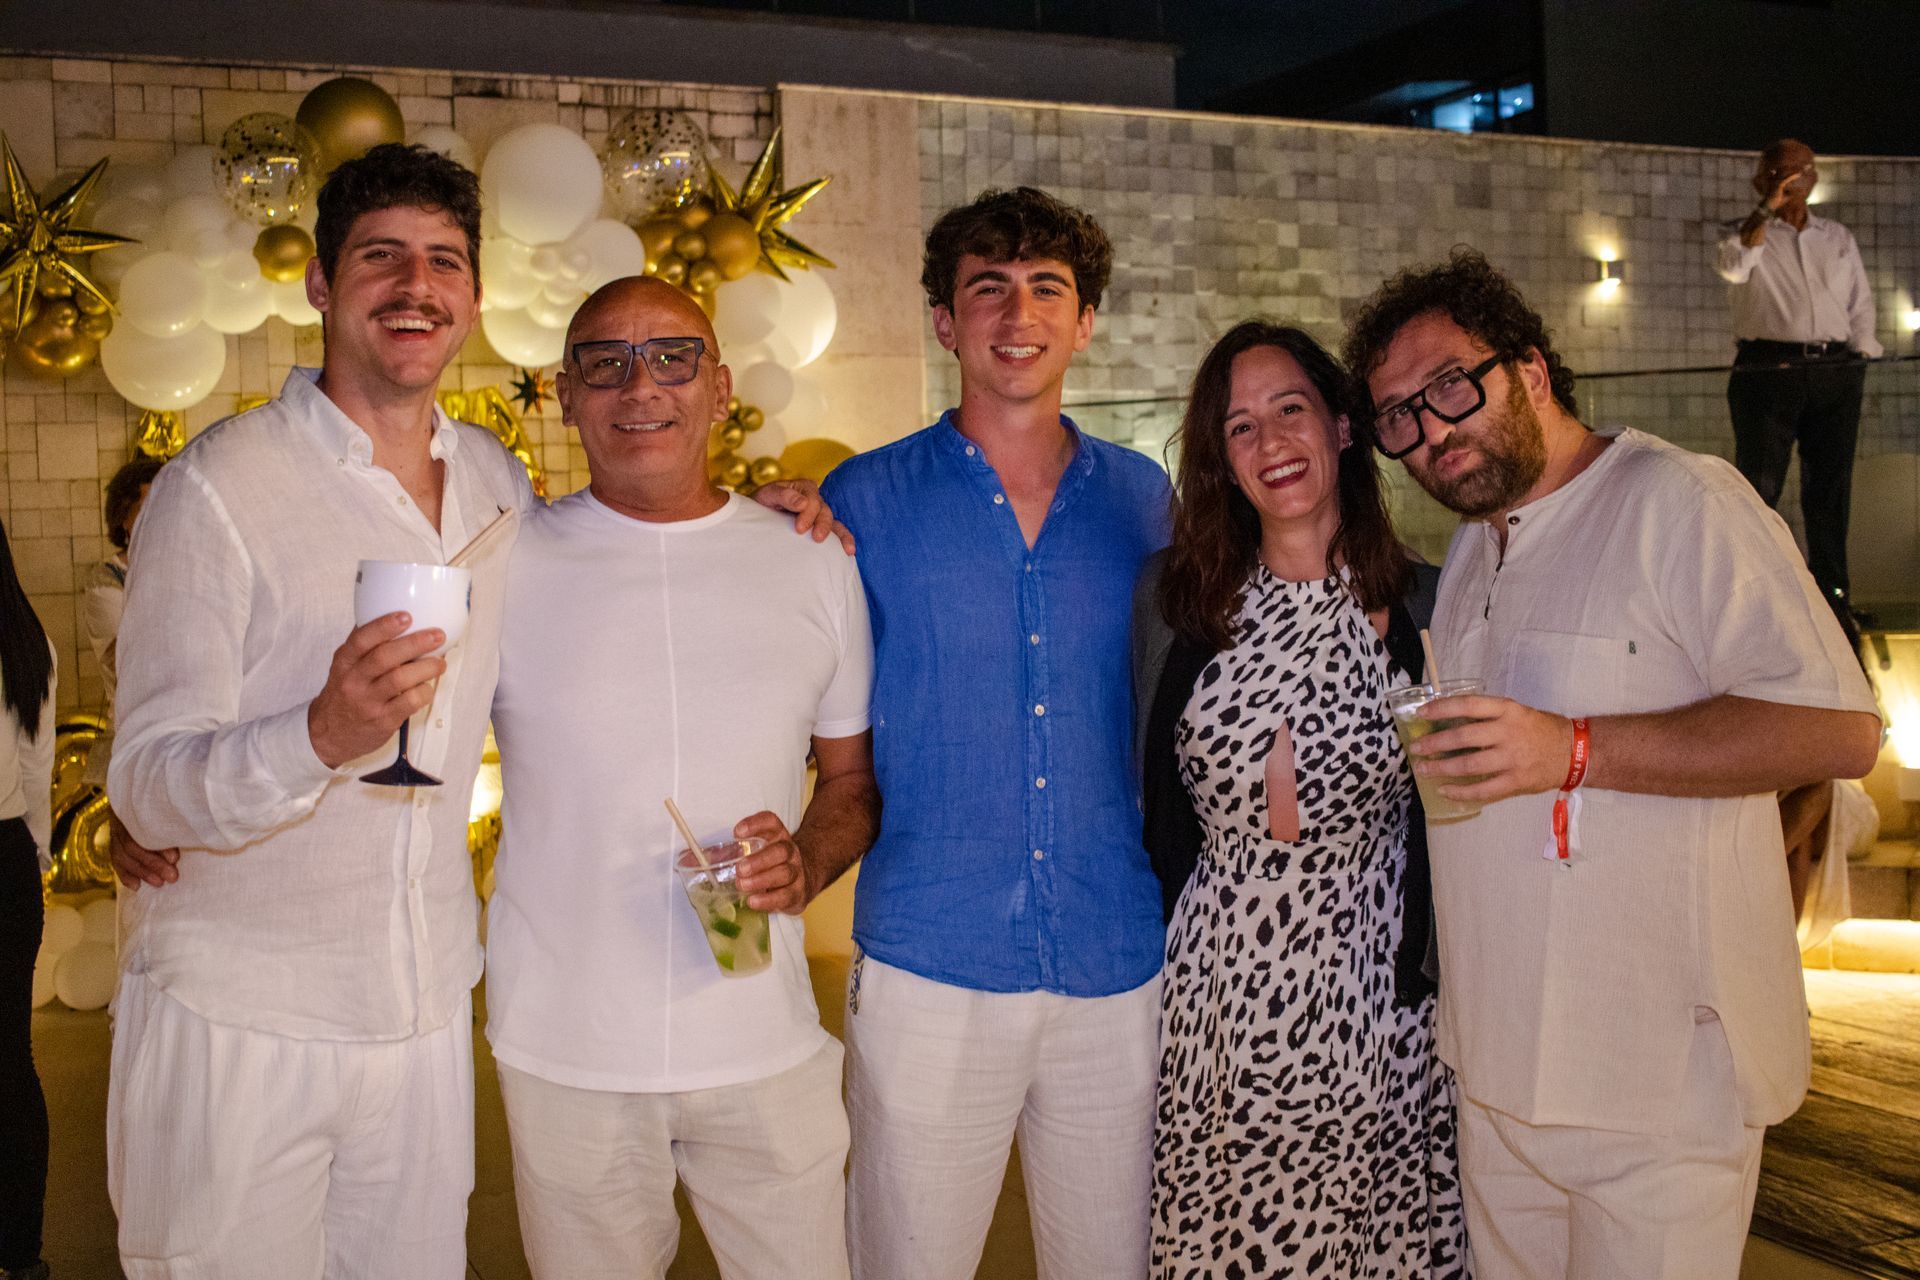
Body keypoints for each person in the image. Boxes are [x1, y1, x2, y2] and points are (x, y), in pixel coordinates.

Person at [103, 147, 838, 1277]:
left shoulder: (495, 484)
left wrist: (771, 510)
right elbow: (148, 782)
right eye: (381, 257)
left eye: (443, 260)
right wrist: (316, 736)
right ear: (319, 282)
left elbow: (640, 547)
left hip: (426, 1015)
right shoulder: (219, 486)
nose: (416, 285)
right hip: (246, 1012)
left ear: (475, 299)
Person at [1342, 248, 1881, 1279]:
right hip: (1496, 1072)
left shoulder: (1682, 500)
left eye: (1451, 386)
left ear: (1531, 370)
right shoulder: (1473, 549)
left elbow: (1837, 729)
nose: (1430, 431)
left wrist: (1574, 748)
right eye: (1398, 417)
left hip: (1655, 1088)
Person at [484, 276, 877, 1280]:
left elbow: (850, 782)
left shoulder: (812, 560)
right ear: (565, 394)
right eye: (605, 363)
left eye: (672, 356)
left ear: (720, 387)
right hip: (568, 1049)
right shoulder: (502, 563)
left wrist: (806, 861)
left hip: (764, 1040)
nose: (640, 385)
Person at [818, 187, 1171, 1280]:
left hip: (1117, 956)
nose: (1018, 314)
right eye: (988, 288)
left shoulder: (1147, 500)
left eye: (1046, 289)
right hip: (931, 960)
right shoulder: (859, 498)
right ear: (944, 320)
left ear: (1085, 321)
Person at [1133, 321, 1469, 1279]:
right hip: (1216, 1007)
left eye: (1291, 410)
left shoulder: (1431, 607)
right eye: (1240, 426)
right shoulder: (1172, 605)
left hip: (1380, 1005)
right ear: (1221, 458)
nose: (1271, 441)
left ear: (1343, 426)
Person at [1716, 138, 1881, 638]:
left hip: (1834, 369)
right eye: (1775, 173)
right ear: (1759, 180)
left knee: (1829, 487)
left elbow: (1860, 302)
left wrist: (1860, 355)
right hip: (1769, 369)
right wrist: (1767, 209)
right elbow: (1734, 267)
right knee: (1760, 486)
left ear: (1812, 177)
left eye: (1796, 172)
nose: (1787, 181)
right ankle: (1755, 605)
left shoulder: (1837, 237)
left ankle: (1835, 600)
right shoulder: (1744, 233)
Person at [0, 519, 55, 1280]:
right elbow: (35, 769)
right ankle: (21, 1252)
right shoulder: (25, 638)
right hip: (9, 859)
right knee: (12, 1060)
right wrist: (33, 859)